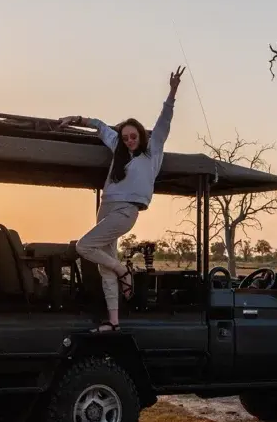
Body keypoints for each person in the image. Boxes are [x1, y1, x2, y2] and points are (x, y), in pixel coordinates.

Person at [58, 66, 185, 331]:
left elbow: (164, 121)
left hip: (126, 211)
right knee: (104, 266)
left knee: (84, 247)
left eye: (133, 136)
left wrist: (172, 91)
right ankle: (114, 321)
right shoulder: (118, 148)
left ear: (141, 134)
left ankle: (123, 271)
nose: (128, 140)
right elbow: (102, 127)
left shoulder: (152, 151)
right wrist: (79, 118)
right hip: (106, 207)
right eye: (125, 137)